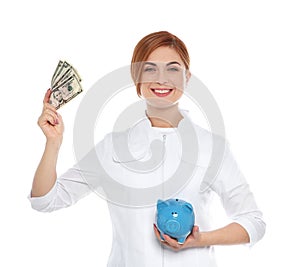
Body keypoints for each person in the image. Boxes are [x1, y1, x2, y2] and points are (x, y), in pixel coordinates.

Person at [29, 31, 266, 266]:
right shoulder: (113, 147)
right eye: (150, 69)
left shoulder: (212, 147)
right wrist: (53, 143)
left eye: (173, 69)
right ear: (136, 78)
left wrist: (200, 239)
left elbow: (253, 222)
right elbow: (45, 200)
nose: (162, 79)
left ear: (187, 77)